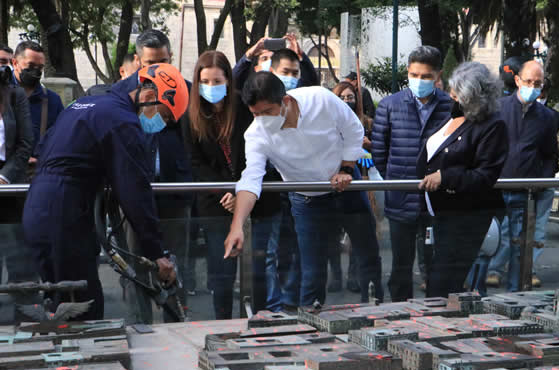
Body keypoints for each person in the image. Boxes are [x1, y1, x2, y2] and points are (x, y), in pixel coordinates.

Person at [22, 63, 188, 321]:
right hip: (65, 212)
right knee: (83, 309)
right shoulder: (123, 121)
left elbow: (43, 149)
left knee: (59, 303)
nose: (162, 124)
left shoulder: (85, 105)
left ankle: (64, 359)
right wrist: (158, 253)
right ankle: (83, 361)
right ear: (147, 96)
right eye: (165, 116)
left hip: (38, 206)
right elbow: (135, 193)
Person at [223, 72, 368, 307]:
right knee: (311, 272)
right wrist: (237, 225)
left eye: (267, 112)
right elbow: (251, 178)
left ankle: (378, 310)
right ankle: (312, 326)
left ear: (286, 101)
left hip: (346, 183)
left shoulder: (320, 99)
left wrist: (347, 169)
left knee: (367, 253)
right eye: (255, 114)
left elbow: (353, 130)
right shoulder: (256, 134)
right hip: (306, 200)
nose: (262, 119)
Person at [182, 50, 280, 318]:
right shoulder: (190, 116)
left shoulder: (244, 109)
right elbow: (196, 163)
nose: (211, 87)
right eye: (206, 82)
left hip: (255, 200)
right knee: (222, 274)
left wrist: (241, 191)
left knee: (259, 269)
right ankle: (222, 326)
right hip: (215, 204)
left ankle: (260, 323)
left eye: (217, 81)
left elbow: (260, 152)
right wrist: (226, 191)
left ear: (228, 80)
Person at [111, 29, 194, 323]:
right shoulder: (122, 94)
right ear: (137, 61)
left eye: (163, 62)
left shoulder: (186, 89)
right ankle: (141, 325)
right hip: (135, 194)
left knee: (174, 264)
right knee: (138, 264)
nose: (157, 70)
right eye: (149, 64)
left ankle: (176, 324)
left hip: (174, 193)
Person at [417, 61, 508, 298]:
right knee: (435, 283)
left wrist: (445, 177)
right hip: (436, 212)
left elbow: (485, 175)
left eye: (457, 92)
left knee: (443, 287)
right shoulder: (453, 116)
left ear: (473, 96)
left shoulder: (492, 126)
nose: (450, 95)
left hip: (464, 216)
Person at [372, 46, 452, 301]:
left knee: (435, 264)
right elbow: (379, 151)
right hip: (401, 197)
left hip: (437, 199)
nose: (419, 81)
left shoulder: (450, 107)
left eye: (426, 76)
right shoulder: (389, 105)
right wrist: (395, 180)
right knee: (400, 266)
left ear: (438, 76)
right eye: (414, 75)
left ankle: (435, 313)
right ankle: (398, 313)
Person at [486, 61, 559, 293]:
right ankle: (478, 291)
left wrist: (540, 181)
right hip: (494, 189)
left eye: (537, 83)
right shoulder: (497, 108)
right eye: (528, 81)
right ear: (517, 81)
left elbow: (550, 157)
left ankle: (516, 296)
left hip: (523, 191)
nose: (532, 87)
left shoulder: (547, 117)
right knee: (487, 241)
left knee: (519, 246)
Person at [328, 81, 384, 301]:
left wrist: (368, 145)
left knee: (358, 237)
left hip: (361, 182)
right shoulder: (329, 123)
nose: (346, 101)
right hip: (333, 184)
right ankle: (336, 275)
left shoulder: (367, 123)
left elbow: (380, 150)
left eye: (350, 97)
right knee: (332, 236)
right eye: (342, 97)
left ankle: (355, 276)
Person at [0, 65, 34, 289]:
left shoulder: (15, 95)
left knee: (20, 264)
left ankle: (25, 318)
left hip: (10, 187)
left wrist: (4, 177)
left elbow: (26, 142)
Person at [11, 41, 64, 156]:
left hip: (37, 170)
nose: (35, 71)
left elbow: (60, 139)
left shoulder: (52, 100)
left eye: (40, 67)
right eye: (30, 66)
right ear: (15, 63)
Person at [233, 34, 318, 91]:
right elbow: (233, 82)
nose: (269, 61)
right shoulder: (252, 91)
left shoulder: (294, 91)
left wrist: (300, 55)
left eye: (273, 58)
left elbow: (311, 82)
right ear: (256, 68)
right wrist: (249, 55)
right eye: (264, 58)